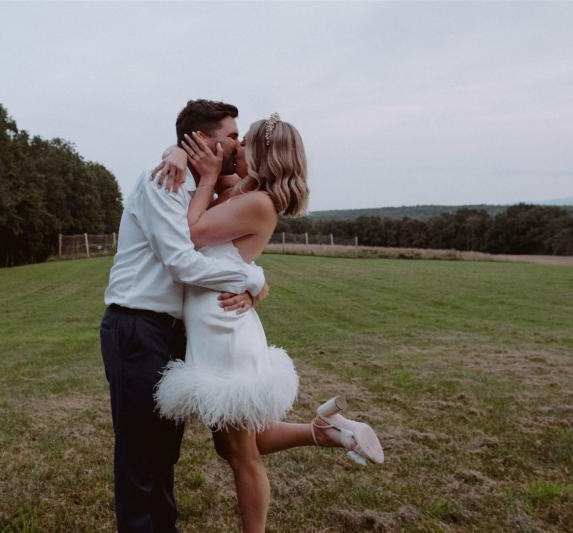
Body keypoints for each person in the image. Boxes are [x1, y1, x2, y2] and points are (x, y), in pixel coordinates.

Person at [152, 112, 384, 533]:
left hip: (224, 329)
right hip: (215, 322)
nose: (236, 148)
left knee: (242, 455)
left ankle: (320, 441)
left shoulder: (259, 203)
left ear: (260, 153)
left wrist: (205, 181)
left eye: (244, 144)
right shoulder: (244, 190)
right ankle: (325, 431)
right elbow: (202, 175)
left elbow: (192, 233)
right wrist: (176, 151)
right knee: (233, 445)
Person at [100, 99, 271, 533]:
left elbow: (255, 190)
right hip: (138, 325)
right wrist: (250, 277)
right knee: (139, 451)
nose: (238, 145)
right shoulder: (165, 180)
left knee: (164, 450)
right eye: (231, 137)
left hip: (175, 333)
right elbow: (182, 263)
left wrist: (253, 281)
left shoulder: (205, 188)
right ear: (200, 141)